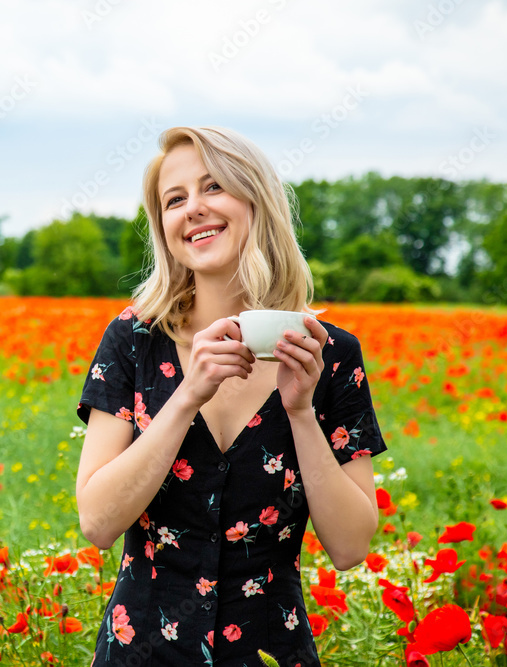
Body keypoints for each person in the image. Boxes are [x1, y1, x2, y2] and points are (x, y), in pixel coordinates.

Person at [74, 126, 387, 666]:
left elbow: (350, 547)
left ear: (256, 201)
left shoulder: (328, 353)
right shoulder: (134, 340)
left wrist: (301, 413)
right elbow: (98, 523)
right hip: (143, 651)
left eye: (213, 187)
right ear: (164, 227)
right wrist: (187, 396)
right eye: (175, 200)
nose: (193, 208)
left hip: (269, 650)